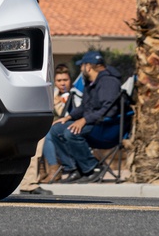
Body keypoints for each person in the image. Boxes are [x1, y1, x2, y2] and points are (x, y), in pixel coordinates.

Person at [49, 51, 122, 183]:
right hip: (92, 123)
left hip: (105, 128)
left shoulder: (108, 82)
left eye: (81, 66)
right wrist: (69, 117)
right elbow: (84, 107)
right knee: (56, 129)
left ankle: (92, 169)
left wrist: (84, 120)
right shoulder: (91, 82)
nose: (81, 69)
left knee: (71, 132)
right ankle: (73, 169)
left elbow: (108, 110)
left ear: (88, 66)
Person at [19, 64, 73, 195]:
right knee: (37, 146)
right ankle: (30, 183)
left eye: (65, 80)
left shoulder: (75, 94)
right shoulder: (52, 94)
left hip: (65, 127)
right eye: (59, 81)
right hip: (48, 125)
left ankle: (33, 180)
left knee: (42, 141)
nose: (62, 83)